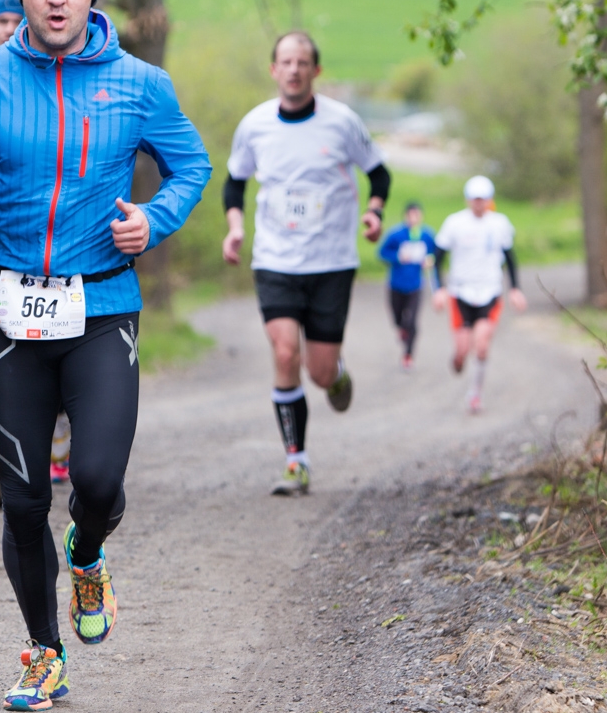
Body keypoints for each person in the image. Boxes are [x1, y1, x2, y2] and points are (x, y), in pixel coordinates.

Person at [0, 0, 210, 711]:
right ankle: (43, 650)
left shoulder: (141, 84)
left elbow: (192, 165)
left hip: (101, 303)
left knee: (97, 481)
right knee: (26, 493)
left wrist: (155, 217)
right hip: (10, 310)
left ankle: (90, 551)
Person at [222, 31, 389, 497]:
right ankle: (296, 460)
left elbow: (379, 172)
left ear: (316, 71)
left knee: (316, 370)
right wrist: (235, 227)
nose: (294, 70)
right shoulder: (255, 125)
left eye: (303, 62)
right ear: (274, 70)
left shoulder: (342, 123)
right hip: (275, 259)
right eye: (285, 62)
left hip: (331, 261)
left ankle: (334, 375)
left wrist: (373, 212)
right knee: (284, 353)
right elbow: (234, 184)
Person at [0, 0, 72, 512]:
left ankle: (59, 436)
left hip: (60, 248)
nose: (5, 25)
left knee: (55, 343)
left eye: (14, 17)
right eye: (0, 19)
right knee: (7, 340)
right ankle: (7, 460)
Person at [432, 175, 526, 413]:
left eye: (483, 199)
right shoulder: (454, 223)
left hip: (490, 291)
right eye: (475, 199)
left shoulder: (500, 223)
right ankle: (459, 357)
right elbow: (438, 259)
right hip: (461, 291)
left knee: (481, 345)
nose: (479, 203)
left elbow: (510, 258)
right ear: (467, 200)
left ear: (490, 200)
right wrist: (439, 290)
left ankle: (475, 394)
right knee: (464, 349)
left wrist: (515, 289)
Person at [377, 202, 439, 369]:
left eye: (416, 215)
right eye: (410, 215)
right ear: (405, 216)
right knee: (397, 318)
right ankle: (402, 329)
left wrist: (430, 260)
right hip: (396, 284)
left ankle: (408, 354)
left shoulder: (427, 235)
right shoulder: (396, 234)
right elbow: (382, 253)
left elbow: (437, 253)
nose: (413, 219)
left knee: (411, 320)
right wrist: (397, 257)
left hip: (415, 286)